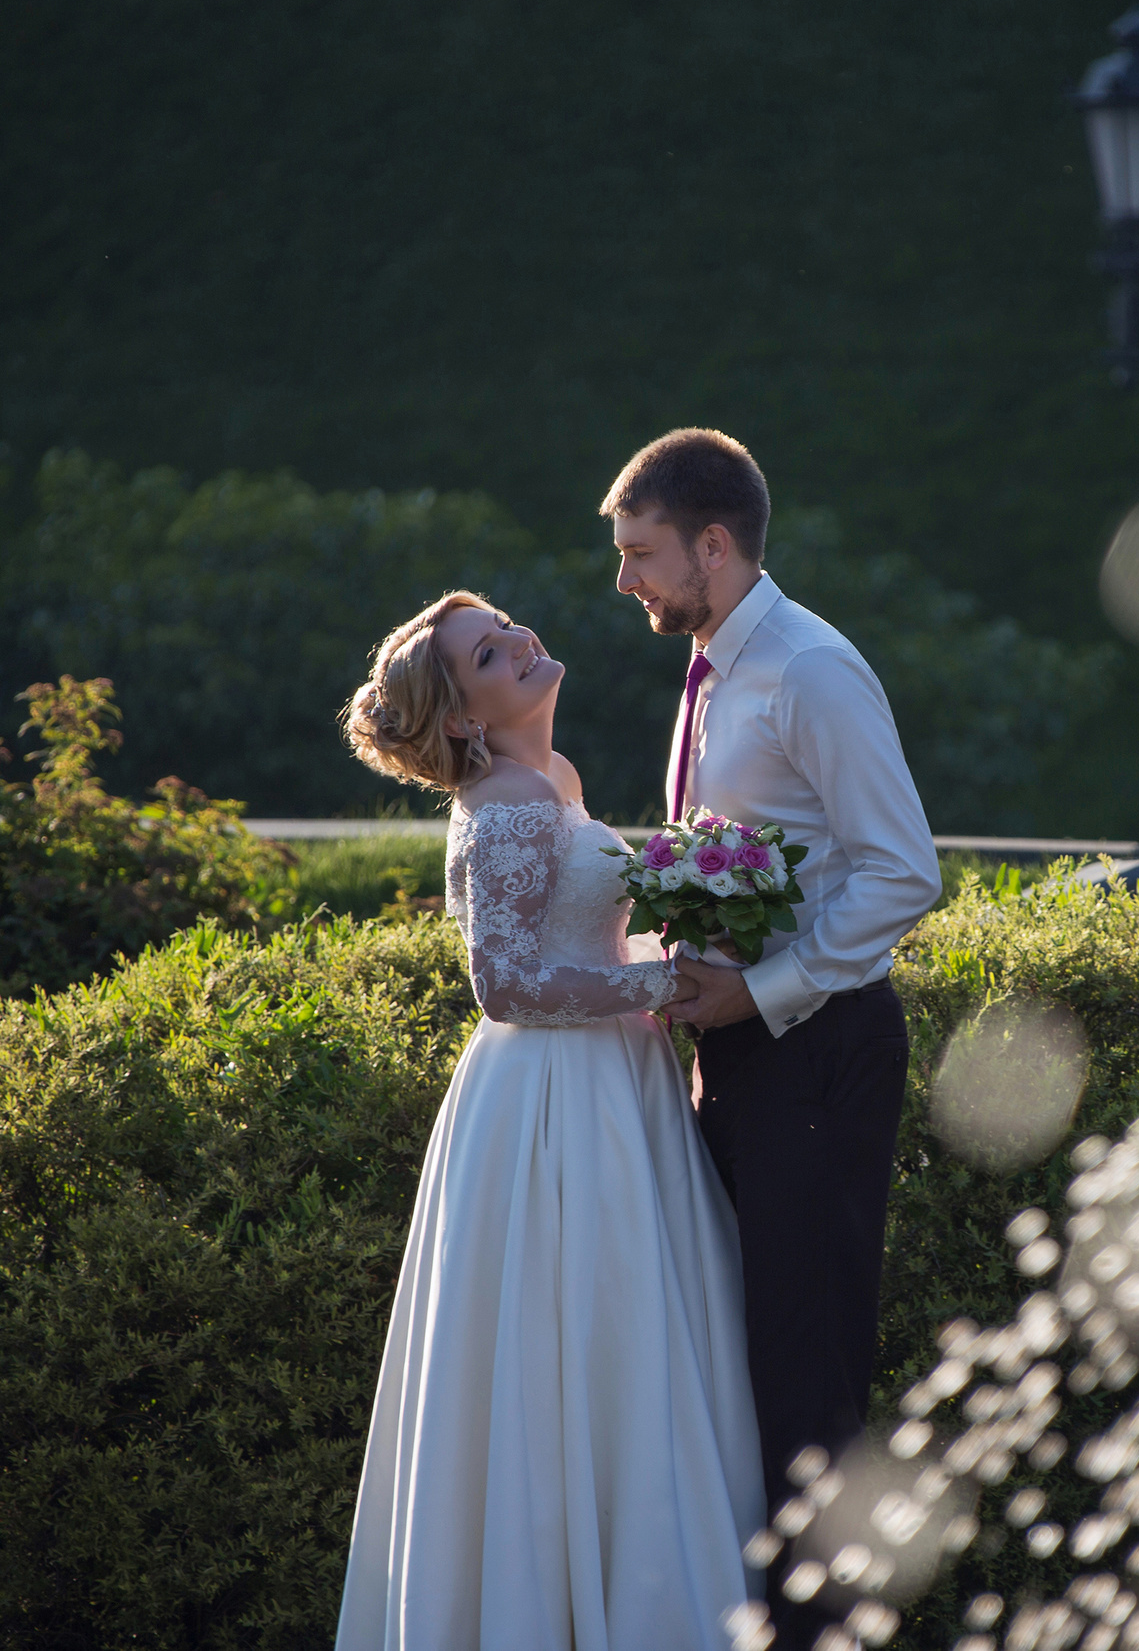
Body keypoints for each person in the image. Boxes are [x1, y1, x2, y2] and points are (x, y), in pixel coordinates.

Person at [331, 590, 764, 1651]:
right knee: (572, 1339)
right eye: (488, 650)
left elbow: (576, 937)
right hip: (552, 1109)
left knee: (617, 1341)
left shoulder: (550, 781)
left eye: (507, 623)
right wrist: (665, 986)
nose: (520, 641)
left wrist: (684, 928)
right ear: (467, 714)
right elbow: (508, 982)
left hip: (614, 1081)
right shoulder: (511, 802)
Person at [605, 429, 943, 1644]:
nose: (626, 579)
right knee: (745, 1369)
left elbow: (904, 872)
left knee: (808, 1381)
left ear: (714, 542)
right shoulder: (711, 666)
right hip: (745, 1050)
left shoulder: (809, 668)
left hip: (820, 1047)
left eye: (640, 553)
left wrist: (766, 989)